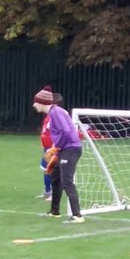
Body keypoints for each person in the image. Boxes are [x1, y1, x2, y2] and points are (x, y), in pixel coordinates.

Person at [33, 87, 85, 223]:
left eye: (36, 102)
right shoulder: (54, 112)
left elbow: (66, 131)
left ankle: (77, 216)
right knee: (56, 178)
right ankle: (54, 211)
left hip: (71, 149)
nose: (34, 105)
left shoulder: (56, 113)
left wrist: (55, 148)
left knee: (67, 181)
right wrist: (55, 148)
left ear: (42, 102)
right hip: (64, 149)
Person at [38, 96, 55, 201]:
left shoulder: (54, 118)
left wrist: (52, 148)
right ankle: (47, 190)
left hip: (52, 149)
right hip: (46, 148)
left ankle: (53, 193)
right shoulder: (47, 117)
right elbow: (44, 132)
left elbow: (56, 134)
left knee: (52, 170)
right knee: (45, 169)